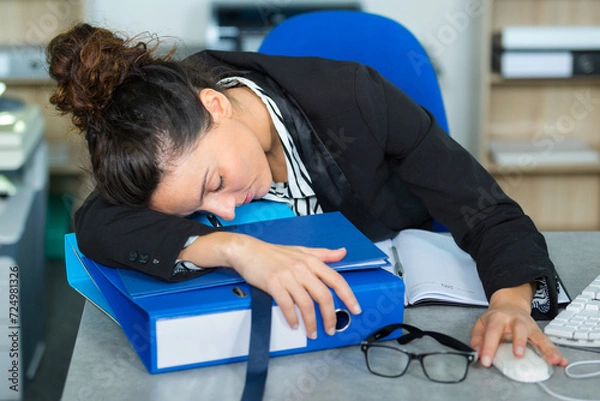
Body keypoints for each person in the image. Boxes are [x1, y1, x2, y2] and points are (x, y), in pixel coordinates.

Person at [47, 23, 568, 369]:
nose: (224, 210)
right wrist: (234, 248)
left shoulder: (358, 101)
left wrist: (512, 304)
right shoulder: (164, 146)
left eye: (215, 184)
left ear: (216, 105)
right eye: (202, 211)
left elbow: (486, 208)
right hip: (287, 343)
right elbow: (95, 226)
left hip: (394, 324)